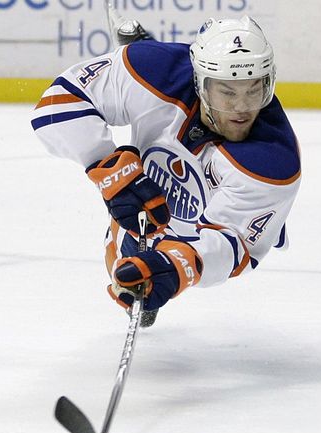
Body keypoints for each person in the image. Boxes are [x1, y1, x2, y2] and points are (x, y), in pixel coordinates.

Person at [31, 14, 301, 326]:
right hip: (167, 84)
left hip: (224, 199)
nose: (242, 108)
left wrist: (174, 270)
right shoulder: (152, 70)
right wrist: (111, 172)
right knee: (127, 260)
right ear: (199, 82)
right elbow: (56, 105)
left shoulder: (272, 163)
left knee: (149, 265)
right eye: (227, 92)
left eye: (253, 90)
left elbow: (233, 245)